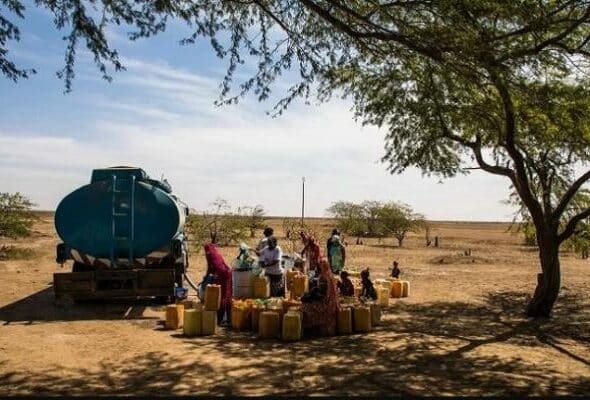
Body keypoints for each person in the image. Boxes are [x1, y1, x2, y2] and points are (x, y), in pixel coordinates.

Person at [301, 257, 338, 336]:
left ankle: (311, 329)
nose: (317, 267)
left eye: (319, 266)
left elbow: (321, 295)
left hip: (326, 305)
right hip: (332, 304)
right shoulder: (330, 275)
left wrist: (309, 297)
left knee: (305, 307)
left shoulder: (323, 278)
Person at [203, 243, 233, 324]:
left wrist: (205, 278)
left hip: (222, 275)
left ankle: (219, 319)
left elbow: (210, 268)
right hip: (227, 273)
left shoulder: (209, 254)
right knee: (227, 295)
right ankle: (229, 318)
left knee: (221, 296)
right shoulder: (216, 253)